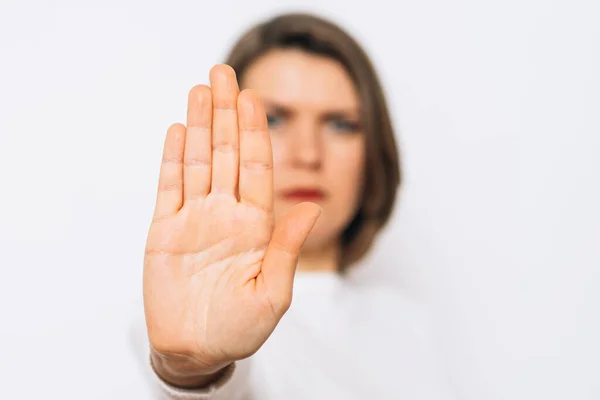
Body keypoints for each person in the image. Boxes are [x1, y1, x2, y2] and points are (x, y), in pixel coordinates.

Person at [135, 12, 456, 400]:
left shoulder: (410, 326)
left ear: (374, 151)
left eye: (340, 124)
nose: (308, 154)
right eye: (273, 118)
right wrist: (192, 370)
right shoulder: (175, 319)